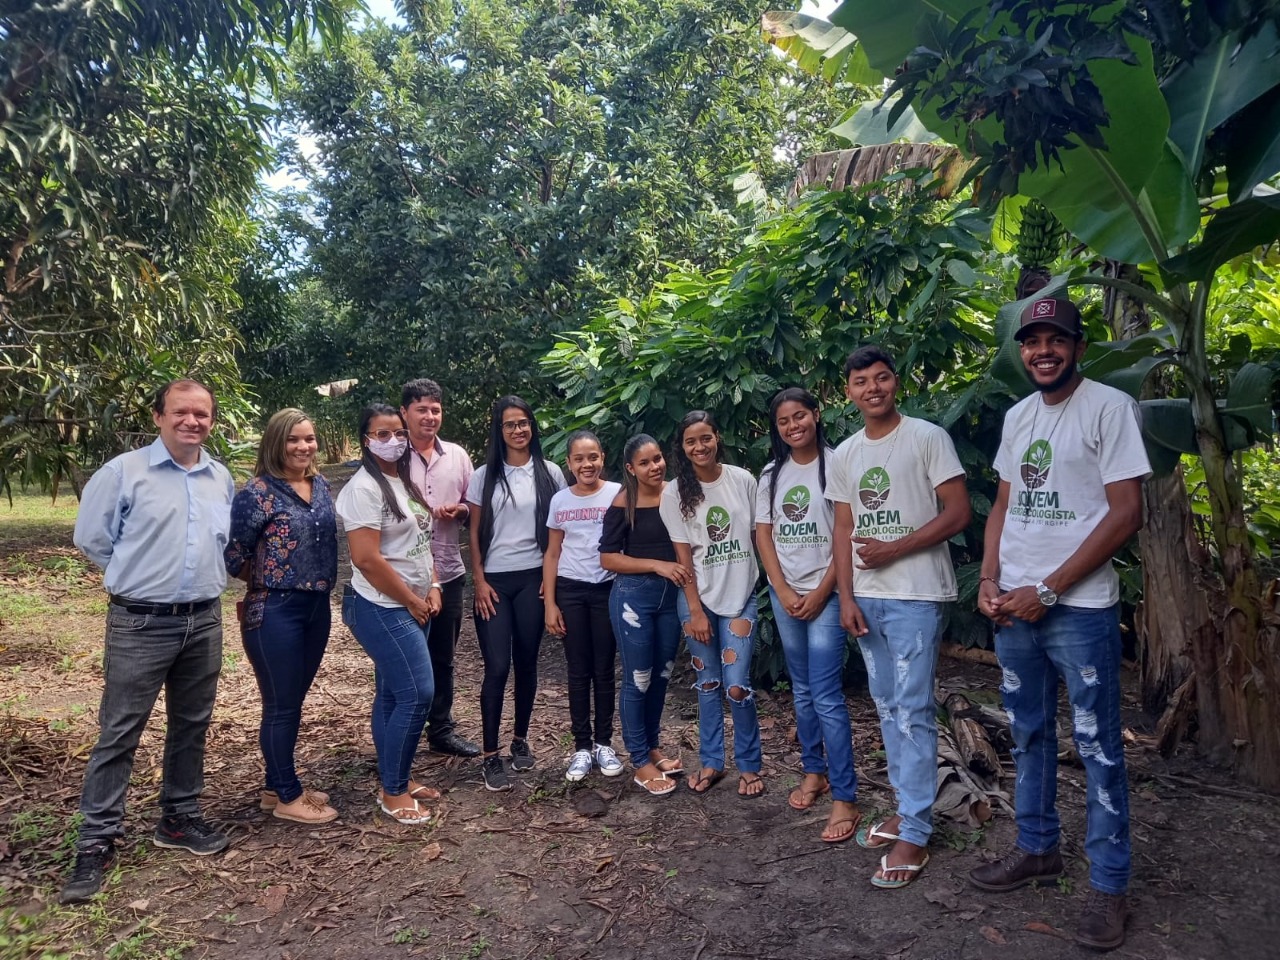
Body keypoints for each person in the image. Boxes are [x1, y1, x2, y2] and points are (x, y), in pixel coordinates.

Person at [970, 297, 1149, 952]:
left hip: (1079, 608)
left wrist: (1049, 588)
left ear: (1078, 346)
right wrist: (989, 579)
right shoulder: (1019, 416)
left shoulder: (1109, 408)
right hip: (1014, 606)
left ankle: (1109, 883)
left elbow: (1126, 512)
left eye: (1055, 339)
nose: (1042, 351)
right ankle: (1037, 847)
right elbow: (1003, 505)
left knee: (1097, 744)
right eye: (1032, 341)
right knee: (1028, 733)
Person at [62, 379, 235, 904]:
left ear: (211, 421)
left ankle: (179, 817)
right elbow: (92, 539)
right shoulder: (124, 473)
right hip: (140, 623)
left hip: (203, 620)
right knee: (120, 731)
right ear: (158, 416)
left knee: (192, 723)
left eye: (202, 414)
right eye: (181, 412)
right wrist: (139, 577)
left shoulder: (219, 477)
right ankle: (96, 839)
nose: (192, 421)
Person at [829, 346, 971, 889]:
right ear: (848, 392)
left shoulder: (927, 437)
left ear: (896, 382)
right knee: (888, 708)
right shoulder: (846, 453)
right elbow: (843, 529)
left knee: (912, 709)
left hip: (916, 595)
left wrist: (895, 548)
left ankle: (915, 829)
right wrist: (845, 596)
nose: (873, 388)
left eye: (881, 377)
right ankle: (909, 807)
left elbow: (958, 512)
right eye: (861, 381)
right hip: (866, 598)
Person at [224, 408, 338, 825]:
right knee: (281, 705)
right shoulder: (256, 494)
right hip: (275, 609)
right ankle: (289, 796)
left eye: (309, 438)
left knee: (292, 699)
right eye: (293, 439)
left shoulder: (320, 485)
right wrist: (274, 577)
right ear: (276, 442)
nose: (303, 447)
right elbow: (234, 555)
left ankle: (275, 787)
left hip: (317, 606)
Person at [755, 388, 859, 842]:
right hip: (786, 596)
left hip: (827, 594)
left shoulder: (837, 464)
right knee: (801, 690)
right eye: (783, 421)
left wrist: (821, 592)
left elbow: (846, 533)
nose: (793, 426)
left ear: (816, 415)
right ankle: (813, 772)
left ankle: (846, 796)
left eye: (800, 416)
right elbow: (764, 534)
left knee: (827, 694)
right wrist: (780, 588)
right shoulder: (771, 474)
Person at [335, 404, 443, 825]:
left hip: (414, 600)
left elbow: (421, 541)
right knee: (418, 693)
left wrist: (432, 584)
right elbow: (366, 559)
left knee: (394, 695)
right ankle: (393, 792)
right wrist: (412, 600)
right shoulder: (363, 489)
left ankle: (396, 775)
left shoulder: (402, 480)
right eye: (382, 434)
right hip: (382, 606)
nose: (393, 440)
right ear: (366, 440)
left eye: (398, 433)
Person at [659, 410, 764, 798]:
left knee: (737, 687)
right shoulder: (674, 494)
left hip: (741, 598)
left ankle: (749, 765)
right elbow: (683, 558)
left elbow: (759, 537)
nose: (699, 446)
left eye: (705, 438)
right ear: (682, 447)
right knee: (708, 684)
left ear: (717, 437)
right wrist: (695, 610)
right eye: (691, 441)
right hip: (697, 600)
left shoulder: (742, 480)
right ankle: (712, 762)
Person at [467, 396, 567, 791]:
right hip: (494, 581)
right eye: (509, 424)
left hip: (532, 579)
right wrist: (478, 580)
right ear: (499, 430)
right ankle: (490, 756)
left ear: (532, 426)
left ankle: (520, 740)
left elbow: (560, 531)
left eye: (523, 423)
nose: (518, 430)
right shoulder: (484, 476)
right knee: (497, 666)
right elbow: (474, 533)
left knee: (527, 662)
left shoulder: (550, 472)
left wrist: (550, 576)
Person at [599, 434, 690, 797]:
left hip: (671, 598)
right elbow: (608, 558)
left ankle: (652, 747)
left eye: (658, 459)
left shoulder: (676, 493)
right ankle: (639, 760)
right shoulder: (624, 502)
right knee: (638, 678)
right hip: (634, 598)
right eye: (645, 463)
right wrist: (657, 565)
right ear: (630, 469)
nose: (655, 467)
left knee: (662, 675)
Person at [401, 378, 480, 758]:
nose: (430, 416)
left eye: (435, 409)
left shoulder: (458, 457)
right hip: (402, 576)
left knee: (443, 656)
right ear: (405, 413)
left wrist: (460, 510)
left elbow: (474, 508)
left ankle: (441, 730)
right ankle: (401, 732)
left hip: (448, 571)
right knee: (401, 657)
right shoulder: (393, 457)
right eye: (422, 409)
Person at [543, 431, 624, 781]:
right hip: (571, 590)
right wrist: (550, 603)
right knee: (578, 670)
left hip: (608, 588)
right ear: (569, 463)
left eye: (592, 457)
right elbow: (552, 553)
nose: (586, 464)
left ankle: (604, 743)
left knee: (604, 668)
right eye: (579, 458)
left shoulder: (618, 493)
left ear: (602, 457)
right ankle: (581, 747)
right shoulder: (560, 500)